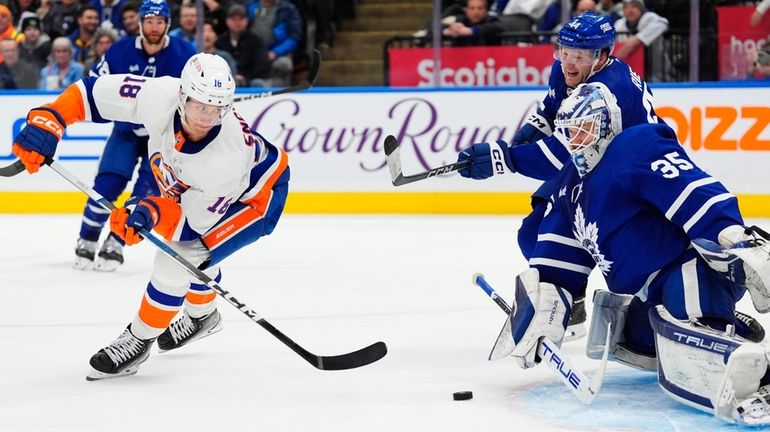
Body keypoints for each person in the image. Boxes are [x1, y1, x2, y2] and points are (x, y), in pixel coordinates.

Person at [487, 82, 770, 425]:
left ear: (606, 125)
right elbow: (557, 262)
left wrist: (734, 238)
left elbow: (693, 192)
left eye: (584, 129)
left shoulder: (636, 146)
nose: (577, 141)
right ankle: (730, 330)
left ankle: (753, 375)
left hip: (688, 266)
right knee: (635, 341)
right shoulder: (566, 188)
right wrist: (543, 314)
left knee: (688, 328)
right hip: (645, 290)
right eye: (569, 133)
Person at [12, 52, 290, 380]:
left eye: (217, 109)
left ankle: (139, 339)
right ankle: (204, 316)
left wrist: (147, 211)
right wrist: (51, 118)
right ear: (182, 96)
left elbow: (188, 231)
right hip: (199, 187)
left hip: (256, 197)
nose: (206, 118)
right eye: (200, 105)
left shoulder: (223, 163)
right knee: (199, 254)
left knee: (181, 257)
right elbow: (89, 94)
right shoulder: (159, 94)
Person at [457, 11, 658, 341]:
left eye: (579, 56)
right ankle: (571, 301)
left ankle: (654, 318)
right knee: (532, 232)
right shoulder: (568, 71)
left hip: (631, 182)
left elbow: (557, 156)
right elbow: (551, 113)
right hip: (593, 164)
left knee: (619, 259)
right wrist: (525, 136)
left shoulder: (607, 91)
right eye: (564, 52)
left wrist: (503, 158)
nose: (568, 62)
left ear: (604, 56)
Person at [74, 0, 196, 272]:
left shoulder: (185, 53)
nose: (155, 27)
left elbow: (194, 92)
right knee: (106, 185)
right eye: (150, 21)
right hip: (126, 133)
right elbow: (97, 85)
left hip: (162, 139)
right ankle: (87, 239)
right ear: (140, 23)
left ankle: (116, 242)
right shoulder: (119, 51)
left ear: (168, 24)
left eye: (160, 21)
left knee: (145, 194)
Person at [613, 0, 670, 82]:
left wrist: (637, 39)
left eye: (633, 7)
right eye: (626, 7)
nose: (630, 10)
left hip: (656, 69)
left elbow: (664, 23)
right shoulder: (619, 23)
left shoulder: (650, 18)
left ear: (641, 9)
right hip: (631, 70)